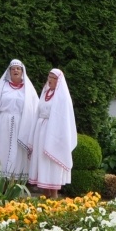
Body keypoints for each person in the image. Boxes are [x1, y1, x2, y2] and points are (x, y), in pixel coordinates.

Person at [28, 68, 78, 199]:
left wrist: (56, 134)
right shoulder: (45, 92)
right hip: (41, 131)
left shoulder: (62, 97)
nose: (50, 80)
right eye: (49, 77)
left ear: (59, 81)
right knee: (42, 160)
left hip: (54, 133)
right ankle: (45, 192)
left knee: (53, 161)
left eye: (53, 78)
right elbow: (38, 111)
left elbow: (63, 118)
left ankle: (54, 194)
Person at [0, 60, 38, 180]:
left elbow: (34, 108)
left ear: (22, 71)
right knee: (2, 149)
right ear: (9, 72)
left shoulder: (28, 89)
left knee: (18, 152)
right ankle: (0, 181)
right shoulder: (2, 87)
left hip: (21, 123)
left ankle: (15, 182)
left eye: (18, 68)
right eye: (13, 68)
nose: (16, 70)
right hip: (3, 122)